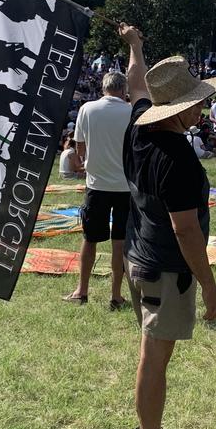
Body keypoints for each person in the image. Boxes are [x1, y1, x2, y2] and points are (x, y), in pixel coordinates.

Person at [120, 23, 216, 429]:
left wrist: (136, 47)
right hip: (166, 266)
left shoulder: (140, 128)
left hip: (139, 256)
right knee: (155, 358)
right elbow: (186, 232)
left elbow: (136, 82)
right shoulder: (177, 157)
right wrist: (211, 286)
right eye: (196, 103)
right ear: (177, 110)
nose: (202, 108)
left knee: (150, 352)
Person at [63, 72, 131, 310]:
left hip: (97, 185)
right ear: (123, 89)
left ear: (104, 88)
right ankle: (116, 295)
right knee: (119, 242)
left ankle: (82, 291)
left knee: (89, 239)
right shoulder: (130, 111)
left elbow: (79, 147)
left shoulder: (87, 109)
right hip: (124, 186)